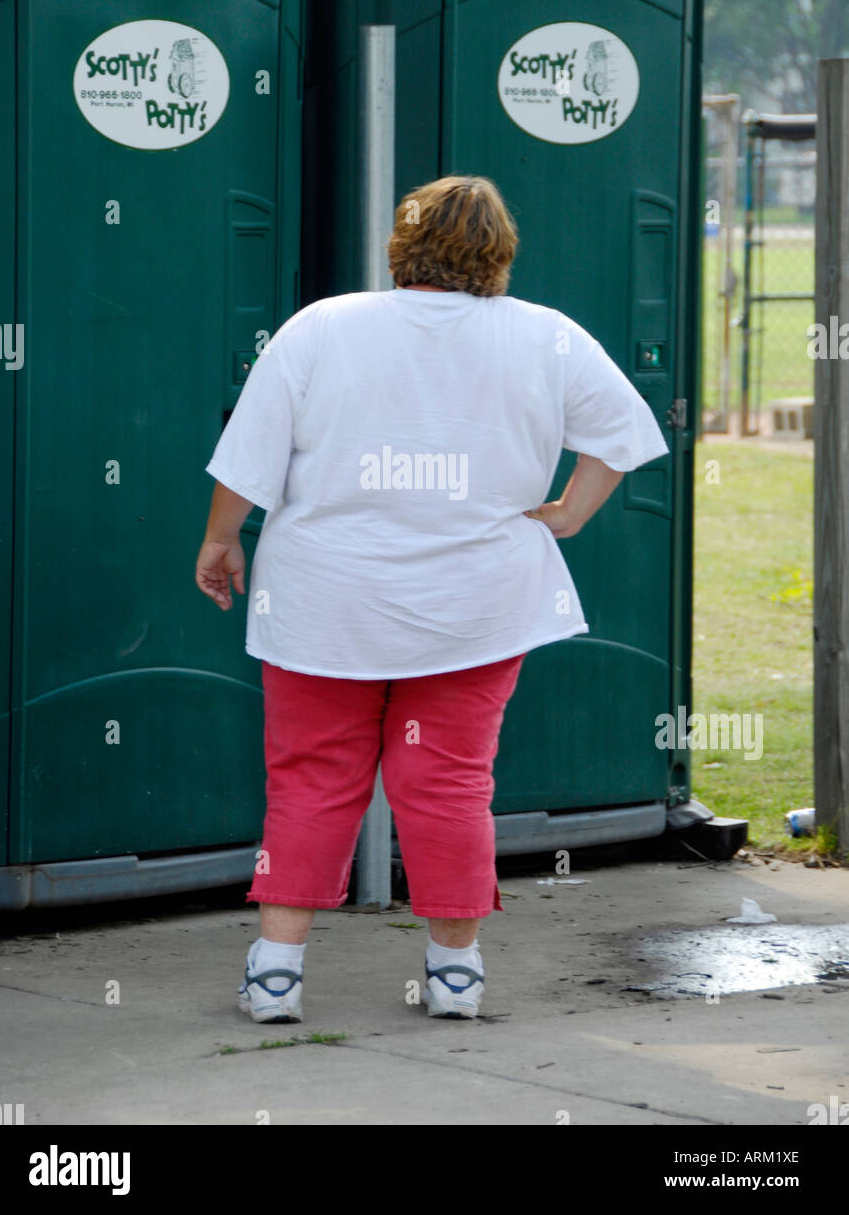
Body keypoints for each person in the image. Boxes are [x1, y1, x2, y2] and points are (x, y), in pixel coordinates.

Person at [195, 174, 668, 1022]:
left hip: (323, 603)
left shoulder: (322, 327)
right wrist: (565, 515)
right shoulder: (547, 337)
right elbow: (623, 438)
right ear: (499, 251)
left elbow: (248, 458)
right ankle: (456, 977)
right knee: (450, 784)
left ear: (400, 245)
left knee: (309, 780)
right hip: (476, 605)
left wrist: (220, 540)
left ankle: (277, 975)